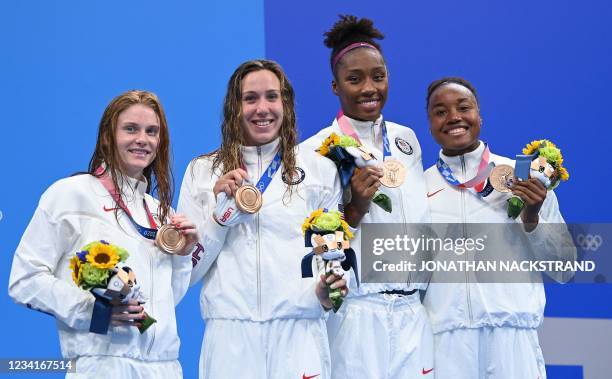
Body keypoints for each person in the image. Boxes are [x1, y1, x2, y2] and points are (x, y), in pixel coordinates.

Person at [9, 90, 198, 378]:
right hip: (101, 366)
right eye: (130, 129)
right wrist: (93, 312)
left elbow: (167, 302)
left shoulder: (161, 212)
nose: (142, 140)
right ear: (108, 137)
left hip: (165, 367)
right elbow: (25, 279)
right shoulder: (71, 194)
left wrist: (183, 256)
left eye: (151, 131)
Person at [177, 59, 347, 379]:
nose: (262, 108)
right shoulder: (202, 171)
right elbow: (186, 271)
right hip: (230, 338)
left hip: (299, 332)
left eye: (272, 96)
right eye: (250, 98)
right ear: (233, 107)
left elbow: (334, 252)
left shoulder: (319, 171)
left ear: (286, 103)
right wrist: (220, 218)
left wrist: (329, 293)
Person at [301, 15, 434, 379]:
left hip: (412, 314)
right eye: (354, 79)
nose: (368, 88)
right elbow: (313, 241)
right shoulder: (314, 151)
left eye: (378, 76)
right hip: (356, 315)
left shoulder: (407, 140)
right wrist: (354, 209)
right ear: (335, 86)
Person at [422, 77, 576, 379]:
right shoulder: (419, 188)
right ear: (429, 124)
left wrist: (531, 220)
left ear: (480, 115)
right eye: (440, 111)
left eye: (463, 107)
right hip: (446, 345)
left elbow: (565, 267)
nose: (453, 117)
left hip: (513, 339)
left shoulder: (527, 180)